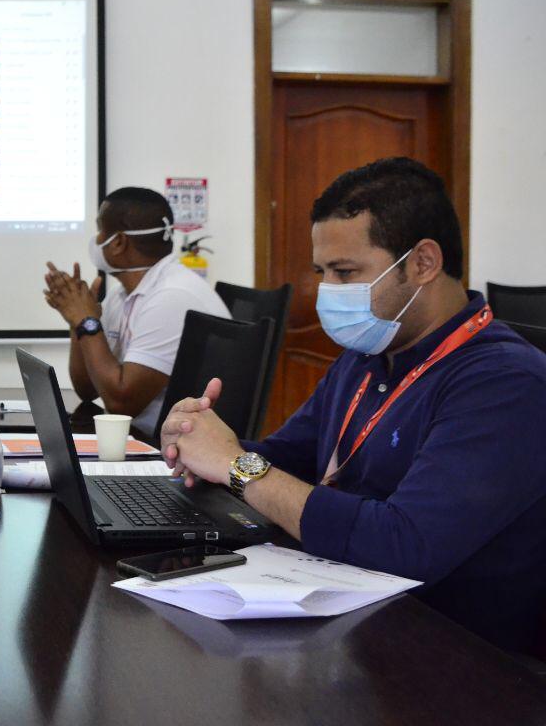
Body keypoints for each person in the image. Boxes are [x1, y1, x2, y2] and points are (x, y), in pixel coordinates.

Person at [160, 157, 546, 653]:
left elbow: (403, 547)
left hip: (457, 656)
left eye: (345, 272)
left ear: (423, 263)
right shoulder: (368, 355)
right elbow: (288, 457)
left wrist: (237, 466)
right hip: (352, 617)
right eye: (322, 272)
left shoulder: (505, 383)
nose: (327, 292)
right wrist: (202, 445)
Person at [43, 187, 229, 439]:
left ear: (118, 243)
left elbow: (121, 403)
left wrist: (86, 321)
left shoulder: (172, 297)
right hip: (142, 435)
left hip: (172, 447)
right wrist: (77, 320)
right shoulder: (122, 295)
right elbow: (87, 389)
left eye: (100, 231)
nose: (96, 240)